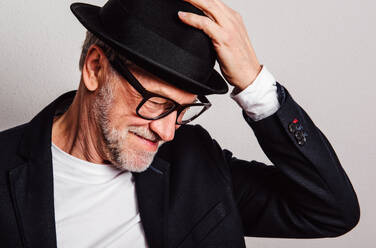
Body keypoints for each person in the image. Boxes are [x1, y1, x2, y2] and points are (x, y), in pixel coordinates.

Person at [0, 0, 360, 247]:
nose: (168, 131)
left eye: (183, 109)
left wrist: (254, 84)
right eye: (157, 102)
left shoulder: (194, 161)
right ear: (95, 68)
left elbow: (331, 211)